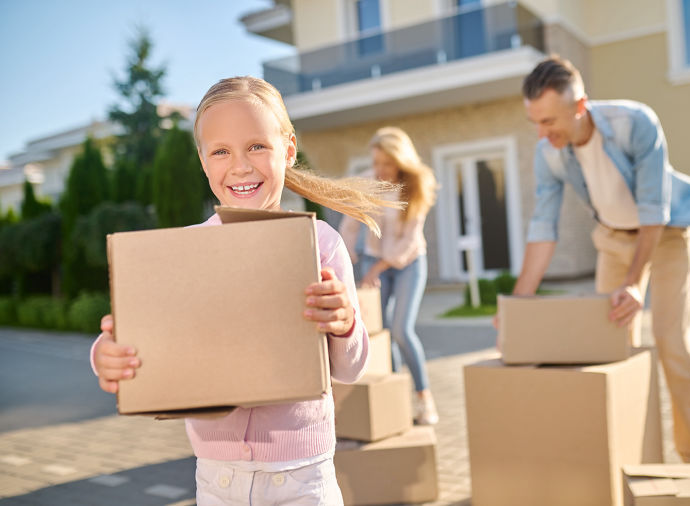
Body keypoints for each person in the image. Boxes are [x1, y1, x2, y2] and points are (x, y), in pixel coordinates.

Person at [91, 76, 401, 505]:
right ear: (202, 160)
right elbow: (141, 337)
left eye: (256, 146)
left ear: (288, 150)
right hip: (218, 482)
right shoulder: (185, 250)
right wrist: (105, 353)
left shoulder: (320, 243)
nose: (240, 165)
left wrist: (345, 323)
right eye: (220, 151)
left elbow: (350, 369)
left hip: (302, 479)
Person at [514, 56, 690, 463]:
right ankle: (633, 459)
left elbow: (653, 210)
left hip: (664, 236)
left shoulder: (634, 123)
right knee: (613, 346)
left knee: (671, 340)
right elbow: (542, 227)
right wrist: (518, 304)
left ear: (580, 106)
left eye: (550, 121)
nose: (542, 132)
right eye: (535, 122)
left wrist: (633, 282)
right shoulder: (548, 153)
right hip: (612, 240)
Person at [339, 127, 439, 425]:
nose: (380, 170)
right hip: (372, 260)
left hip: (408, 262)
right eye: (376, 162)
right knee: (381, 335)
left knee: (400, 329)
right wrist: (344, 265)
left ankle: (424, 397)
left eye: (386, 163)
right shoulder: (368, 184)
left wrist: (376, 268)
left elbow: (409, 240)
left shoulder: (418, 185)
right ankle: (397, 399)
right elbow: (350, 227)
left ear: (400, 160)